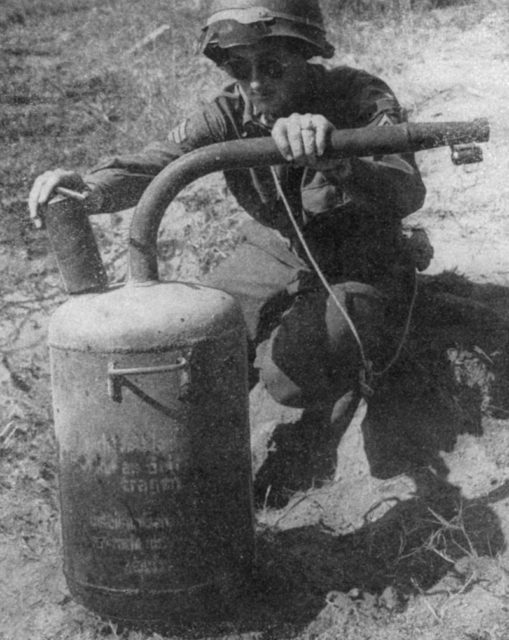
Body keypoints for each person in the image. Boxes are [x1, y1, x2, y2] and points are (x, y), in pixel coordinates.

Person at [28, 0, 427, 438]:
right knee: (188, 345)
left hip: (363, 256)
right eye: (239, 68)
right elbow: (155, 164)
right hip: (276, 250)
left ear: (306, 53)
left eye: (273, 66)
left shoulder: (357, 96)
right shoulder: (227, 112)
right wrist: (89, 188)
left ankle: (368, 362)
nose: (255, 83)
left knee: (290, 378)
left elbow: (406, 190)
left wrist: (342, 163)